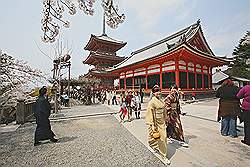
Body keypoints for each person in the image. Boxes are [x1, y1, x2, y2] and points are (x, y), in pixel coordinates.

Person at [146, 85, 170, 165]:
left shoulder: (161, 101)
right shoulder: (152, 102)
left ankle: (163, 155)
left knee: (163, 138)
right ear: (153, 93)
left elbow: (164, 111)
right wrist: (152, 124)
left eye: (159, 91)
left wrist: (166, 118)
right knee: (155, 136)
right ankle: (152, 146)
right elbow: (150, 113)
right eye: (156, 91)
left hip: (162, 122)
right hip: (156, 122)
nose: (158, 93)